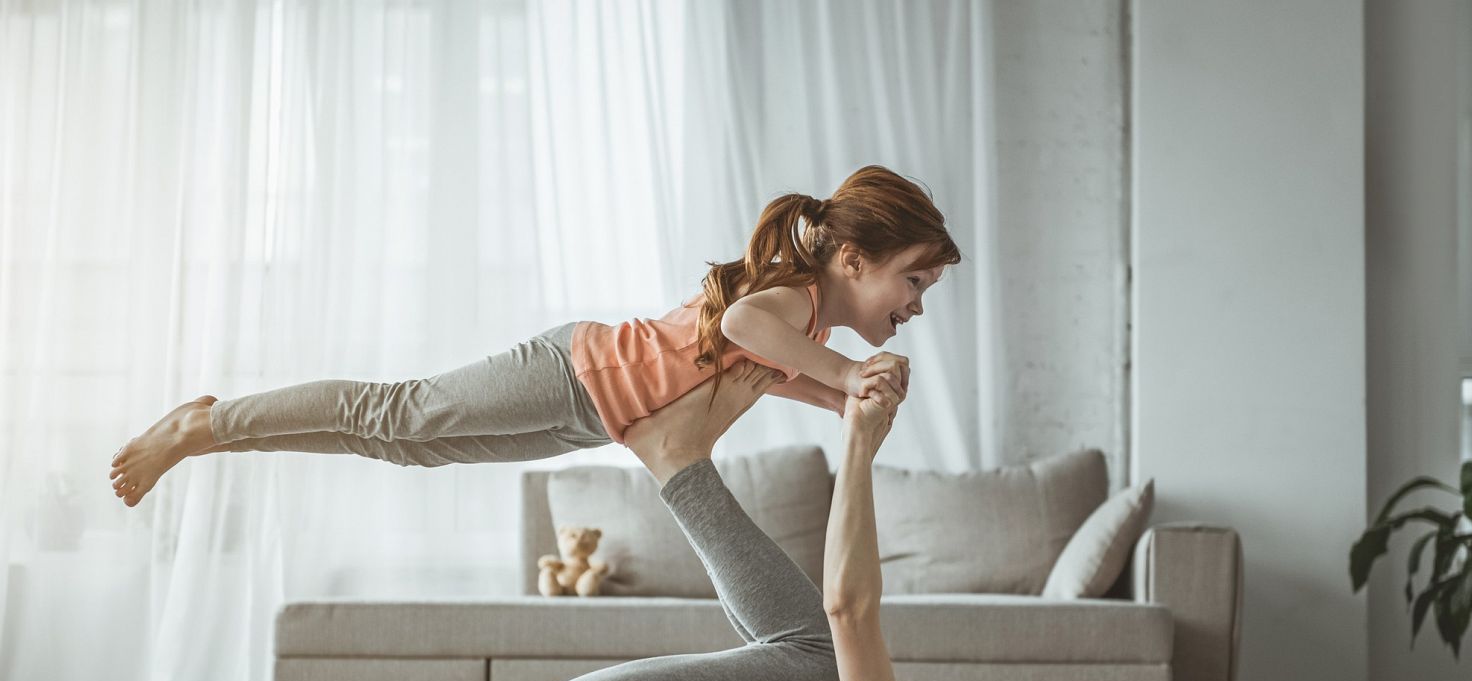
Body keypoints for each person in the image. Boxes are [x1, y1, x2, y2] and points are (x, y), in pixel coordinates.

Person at [489, 359, 1164, 681]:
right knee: (808, 661)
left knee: (817, 658)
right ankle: (679, 458)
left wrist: (860, 442)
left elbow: (848, 612)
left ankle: (677, 458)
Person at [106, 164, 958, 507]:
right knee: (395, 411)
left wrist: (838, 405)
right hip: (576, 371)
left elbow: (768, 369)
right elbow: (740, 323)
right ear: (853, 258)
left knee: (405, 447)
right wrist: (848, 377)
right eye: (913, 278)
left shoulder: (803, 321)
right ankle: (202, 427)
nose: (916, 302)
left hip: (595, 416)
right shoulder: (794, 299)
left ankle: (220, 433)